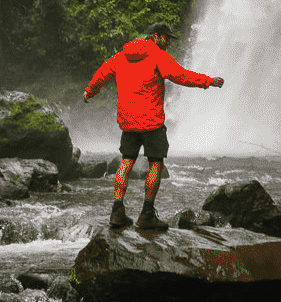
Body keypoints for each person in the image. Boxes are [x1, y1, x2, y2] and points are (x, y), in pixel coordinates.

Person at [83, 22, 224, 230]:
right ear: (156, 36)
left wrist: (89, 91)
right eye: (166, 38)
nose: (168, 42)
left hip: (128, 121)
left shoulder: (121, 56)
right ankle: (147, 213)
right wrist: (208, 81)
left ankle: (117, 211)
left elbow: (103, 73)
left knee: (126, 163)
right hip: (151, 121)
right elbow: (180, 75)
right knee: (155, 164)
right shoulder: (158, 56)